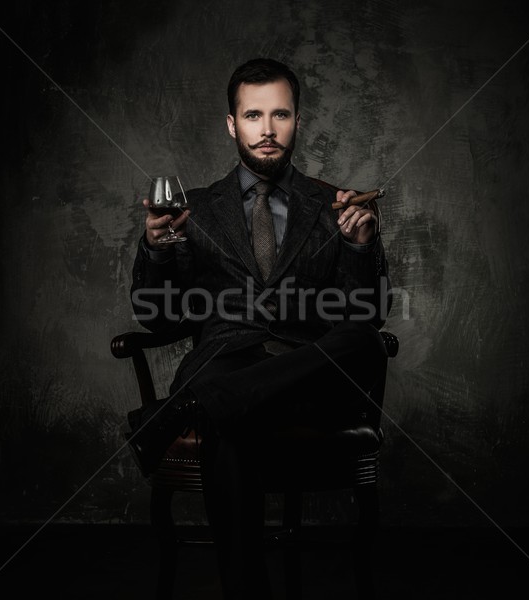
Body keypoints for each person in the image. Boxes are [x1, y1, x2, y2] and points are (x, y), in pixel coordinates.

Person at [128, 57, 391, 599]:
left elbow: (366, 312)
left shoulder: (334, 205)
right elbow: (157, 316)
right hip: (230, 358)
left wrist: (360, 249)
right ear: (232, 124)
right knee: (236, 422)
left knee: (362, 341)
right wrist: (155, 251)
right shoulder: (194, 210)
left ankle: (200, 401)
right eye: (253, 115)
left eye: (280, 115)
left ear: (297, 120)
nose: (267, 130)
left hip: (306, 375)